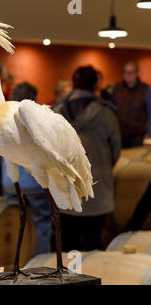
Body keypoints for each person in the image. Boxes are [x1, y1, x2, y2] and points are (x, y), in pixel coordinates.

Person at [53, 65, 121, 251]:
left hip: (66, 191)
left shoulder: (56, 112)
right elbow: (116, 151)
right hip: (97, 191)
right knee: (94, 245)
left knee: (67, 246)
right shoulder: (107, 114)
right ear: (95, 84)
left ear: (74, 83)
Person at [1, 82, 52, 255]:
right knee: (42, 224)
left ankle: (17, 261)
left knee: (13, 224)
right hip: (35, 181)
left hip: (11, 181)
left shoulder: (2, 118)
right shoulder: (39, 120)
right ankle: (40, 261)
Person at [112, 61, 151, 148]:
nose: (128, 75)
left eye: (131, 72)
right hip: (120, 134)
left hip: (138, 135)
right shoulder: (117, 88)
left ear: (137, 73)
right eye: (126, 72)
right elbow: (112, 110)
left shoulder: (145, 89)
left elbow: (150, 112)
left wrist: (149, 132)